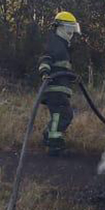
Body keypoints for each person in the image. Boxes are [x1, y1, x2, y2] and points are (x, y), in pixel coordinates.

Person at [38, 11, 81, 156]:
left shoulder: (63, 46)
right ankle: (53, 143)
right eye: (69, 28)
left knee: (61, 115)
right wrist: (45, 72)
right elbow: (45, 59)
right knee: (62, 115)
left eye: (72, 29)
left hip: (60, 89)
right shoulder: (54, 43)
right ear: (60, 27)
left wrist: (72, 77)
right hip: (54, 88)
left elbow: (63, 68)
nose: (71, 32)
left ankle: (50, 136)